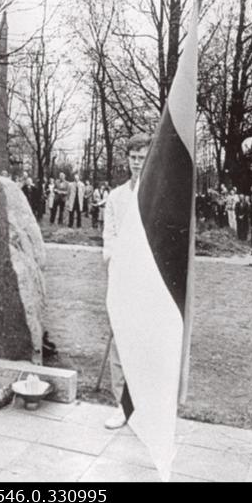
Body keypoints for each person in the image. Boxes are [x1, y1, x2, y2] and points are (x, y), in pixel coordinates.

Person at [102, 132, 151, 430]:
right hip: (122, 277)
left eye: (142, 158)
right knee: (120, 341)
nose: (136, 163)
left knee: (143, 343)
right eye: (133, 157)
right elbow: (110, 235)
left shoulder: (156, 194)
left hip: (147, 282)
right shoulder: (116, 196)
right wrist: (118, 260)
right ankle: (122, 405)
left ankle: (143, 405)